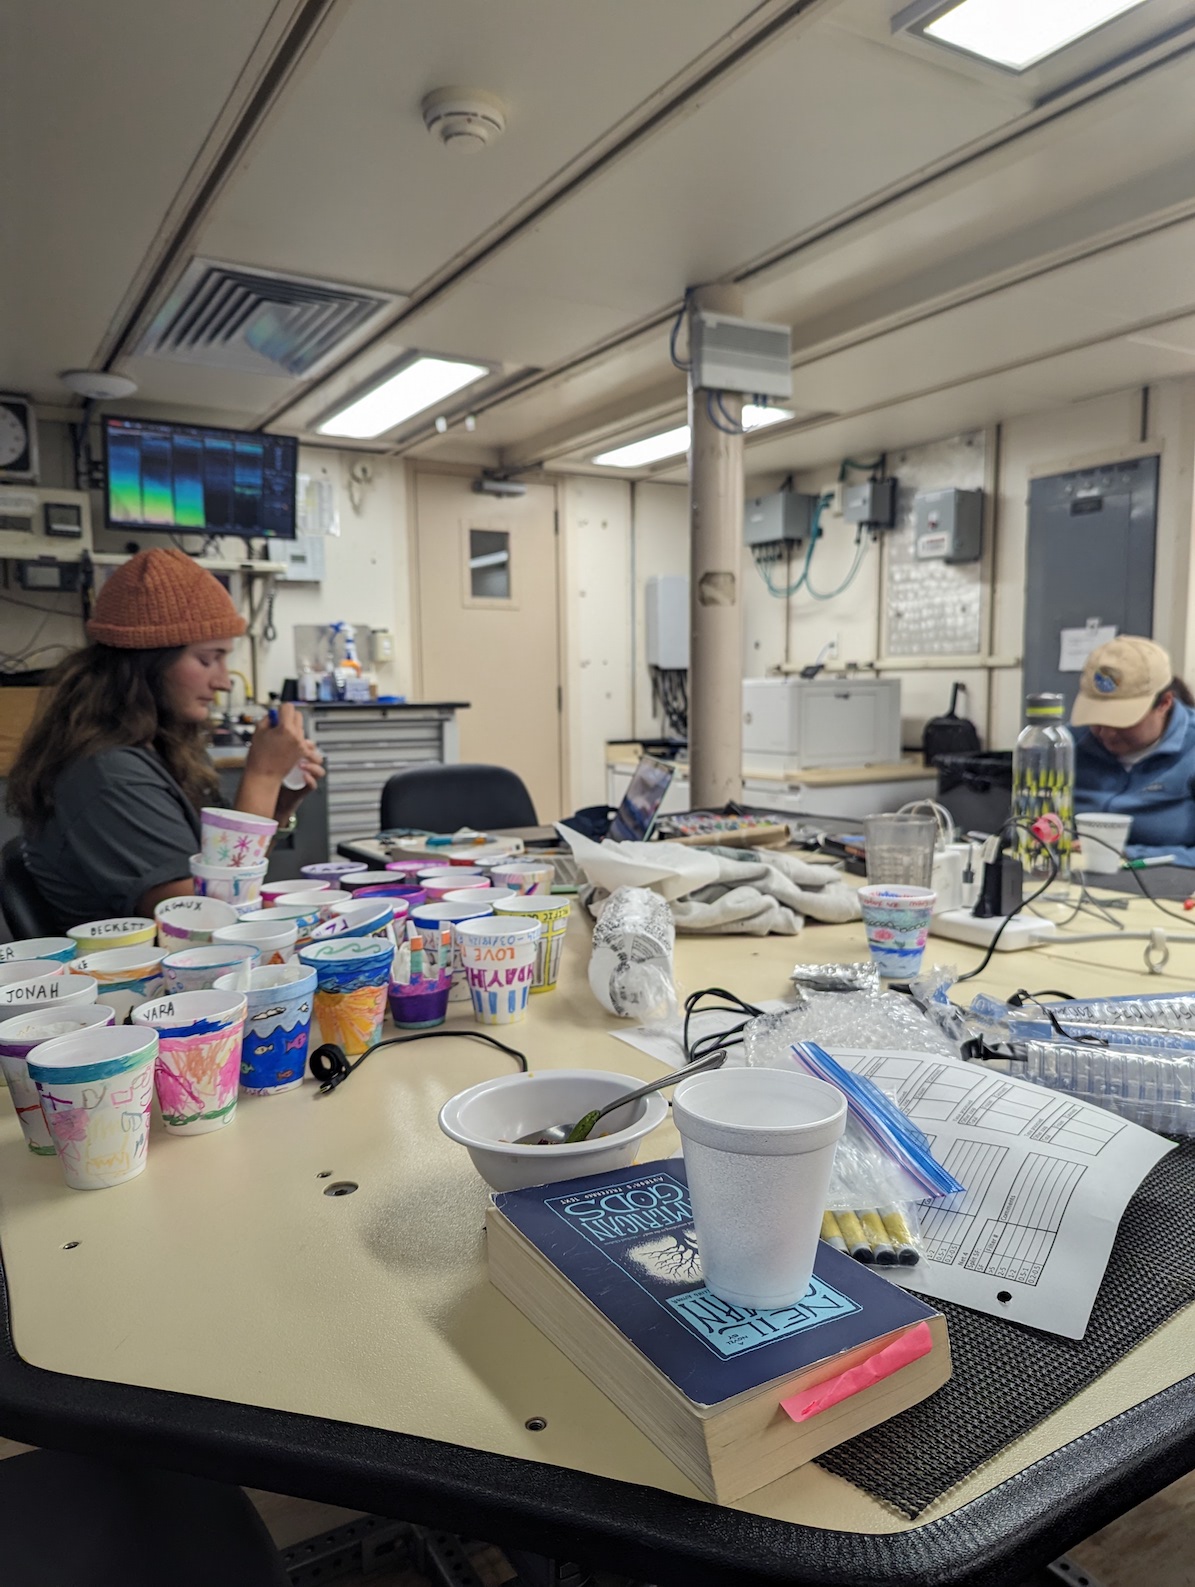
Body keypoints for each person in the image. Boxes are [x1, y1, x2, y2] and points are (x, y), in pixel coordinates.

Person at [9, 548, 324, 930]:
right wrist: (262, 778)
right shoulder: (110, 777)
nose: (224, 680)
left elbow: (224, 868)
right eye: (208, 659)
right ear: (149, 664)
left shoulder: (154, 750)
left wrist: (276, 809)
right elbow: (210, 924)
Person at [1072, 635, 1195, 865]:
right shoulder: (1067, 745)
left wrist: (1134, 854)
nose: (1107, 733)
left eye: (1122, 721)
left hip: (1168, 887)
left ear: (1164, 703)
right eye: (1096, 718)